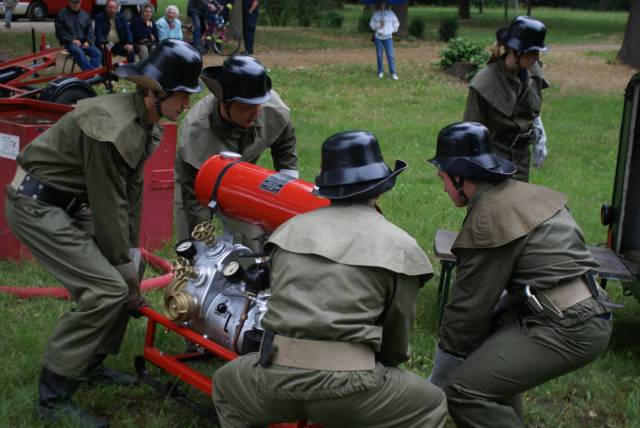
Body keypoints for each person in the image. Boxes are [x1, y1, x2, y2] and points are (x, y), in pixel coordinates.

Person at [4, 39, 202, 428]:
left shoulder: (145, 126)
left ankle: (89, 363)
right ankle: (53, 397)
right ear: (154, 93)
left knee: (130, 272)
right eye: (181, 96)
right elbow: (109, 207)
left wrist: (131, 259)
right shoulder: (112, 130)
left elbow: (131, 198)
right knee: (108, 290)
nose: (187, 106)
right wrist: (122, 275)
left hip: (69, 203)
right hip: (35, 206)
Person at [213, 130, 448, 428]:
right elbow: (395, 340)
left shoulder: (287, 233)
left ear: (326, 187)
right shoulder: (399, 247)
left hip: (274, 383)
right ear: (378, 189)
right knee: (431, 403)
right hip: (352, 391)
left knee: (225, 384)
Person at [426, 122, 614, 428]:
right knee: (487, 377)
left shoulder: (488, 217)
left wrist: (441, 374)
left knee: (463, 392)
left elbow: (468, 309)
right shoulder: (525, 194)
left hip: (568, 324)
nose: (443, 186)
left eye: (443, 177)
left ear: (459, 176)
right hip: (588, 306)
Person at [174, 55, 298, 251]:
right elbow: (195, 202)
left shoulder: (270, 108)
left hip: (241, 174)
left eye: (259, 104)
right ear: (225, 102)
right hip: (197, 182)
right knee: (192, 247)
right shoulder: (197, 133)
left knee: (253, 234)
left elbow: (284, 141)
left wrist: (288, 186)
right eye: (248, 107)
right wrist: (207, 246)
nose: (256, 113)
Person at [463, 16, 549, 182]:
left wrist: (539, 132)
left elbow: (532, 110)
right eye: (533, 52)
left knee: (519, 205)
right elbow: (470, 129)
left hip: (521, 157)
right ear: (516, 51)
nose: (537, 57)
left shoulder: (532, 71)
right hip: (494, 158)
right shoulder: (485, 82)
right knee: (494, 205)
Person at [55, 0, 102, 71]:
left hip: (84, 43)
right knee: (79, 53)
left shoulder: (85, 15)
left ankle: (90, 75)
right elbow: (60, 32)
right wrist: (72, 40)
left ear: (80, 2)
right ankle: (92, 76)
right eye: (74, 2)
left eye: (77, 2)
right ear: (69, 2)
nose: (76, 4)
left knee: (97, 53)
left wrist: (88, 41)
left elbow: (90, 32)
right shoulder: (61, 14)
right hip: (69, 43)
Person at [369, 1, 400, 80]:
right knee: (379, 55)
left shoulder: (391, 14)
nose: (382, 4)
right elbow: (372, 25)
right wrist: (379, 24)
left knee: (390, 55)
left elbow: (397, 23)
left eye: (384, 3)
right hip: (378, 38)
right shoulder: (376, 14)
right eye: (381, 3)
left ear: (386, 4)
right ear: (379, 4)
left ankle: (393, 73)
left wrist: (391, 30)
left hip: (388, 38)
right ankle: (380, 72)